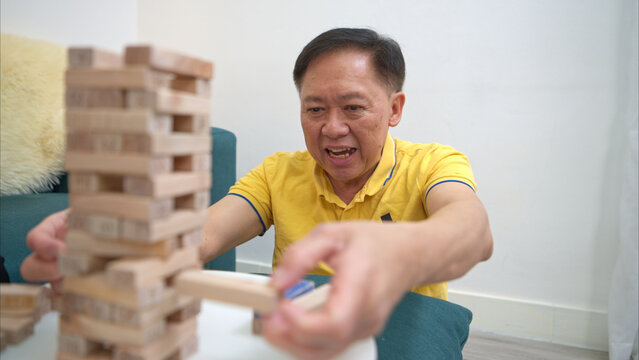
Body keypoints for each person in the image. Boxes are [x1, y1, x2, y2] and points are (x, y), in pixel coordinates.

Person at [21, 28, 492, 359]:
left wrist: (400, 252)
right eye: (314, 108)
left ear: (394, 109)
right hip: (292, 337)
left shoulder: (433, 162)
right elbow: (204, 234)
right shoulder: (278, 173)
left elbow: (471, 231)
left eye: (353, 107)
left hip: (393, 328)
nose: (332, 128)